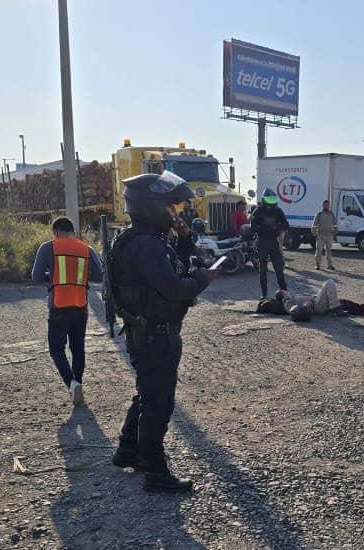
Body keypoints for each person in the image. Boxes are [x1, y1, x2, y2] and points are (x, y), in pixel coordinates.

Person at [109, 171, 218, 494]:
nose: (175, 212)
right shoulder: (144, 245)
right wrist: (203, 280)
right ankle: (155, 472)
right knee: (158, 401)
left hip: (150, 331)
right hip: (155, 334)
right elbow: (172, 287)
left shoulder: (143, 240)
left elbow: (174, 268)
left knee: (147, 393)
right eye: (170, 206)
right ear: (151, 205)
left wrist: (183, 239)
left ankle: (128, 449)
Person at [31, 217, 103, 406]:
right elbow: (98, 275)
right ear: (73, 231)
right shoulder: (86, 249)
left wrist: (51, 278)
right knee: (77, 348)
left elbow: (36, 276)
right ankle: (78, 383)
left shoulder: (48, 247)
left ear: (55, 231)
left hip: (59, 305)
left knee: (56, 349)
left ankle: (71, 384)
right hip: (81, 305)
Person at [276, 280, 364, 319]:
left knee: (348, 304)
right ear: (283, 295)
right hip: (316, 306)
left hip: (318, 302)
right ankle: (335, 309)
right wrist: (305, 306)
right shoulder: (287, 303)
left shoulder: (291, 298)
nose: (286, 291)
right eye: (284, 292)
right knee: (329, 283)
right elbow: (296, 313)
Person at [251, 188, 289, 299]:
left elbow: (286, 224)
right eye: (269, 200)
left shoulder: (278, 211)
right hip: (262, 242)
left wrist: (277, 227)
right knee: (262, 270)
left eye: (272, 200)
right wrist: (262, 228)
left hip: (273, 242)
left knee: (279, 269)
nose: (270, 203)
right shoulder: (258, 211)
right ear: (264, 200)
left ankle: (285, 294)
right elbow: (253, 227)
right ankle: (264, 295)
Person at [312, 200, 337, 270]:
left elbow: (335, 224)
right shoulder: (319, 214)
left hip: (329, 235)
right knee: (319, 251)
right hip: (321, 235)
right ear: (322, 205)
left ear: (329, 206)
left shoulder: (332, 214)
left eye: (327, 205)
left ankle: (330, 265)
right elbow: (314, 225)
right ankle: (317, 265)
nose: (326, 206)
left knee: (329, 251)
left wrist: (334, 233)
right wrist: (315, 234)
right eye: (325, 205)